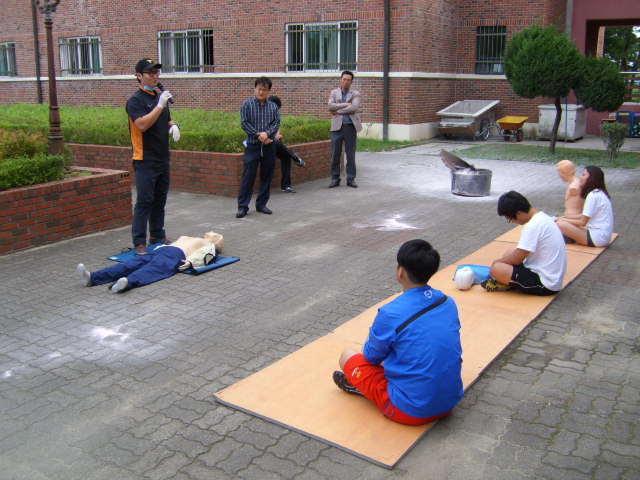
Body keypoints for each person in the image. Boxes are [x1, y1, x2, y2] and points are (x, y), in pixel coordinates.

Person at [333, 239, 463, 425]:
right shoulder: (447, 302)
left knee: (347, 356)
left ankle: (365, 389)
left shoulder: (390, 313)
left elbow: (371, 357)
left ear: (401, 272)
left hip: (411, 411)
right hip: (449, 402)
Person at [126, 58, 180, 256]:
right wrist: (160, 105)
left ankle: (157, 234)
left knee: (160, 199)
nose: (155, 76)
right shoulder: (136, 101)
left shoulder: (159, 97)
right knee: (145, 201)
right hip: (145, 158)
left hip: (162, 156)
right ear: (139, 76)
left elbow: (165, 119)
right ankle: (139, 241)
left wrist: (173, 125)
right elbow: (141, 124)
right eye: (150, 73)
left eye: (157, 72)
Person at [77, 232, 223, 293]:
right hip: (162, 250)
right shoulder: (190, 237)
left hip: (176, 255)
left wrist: (191, 262)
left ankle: (126, 283)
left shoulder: (209, 246)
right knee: (130, 264)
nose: (211, 232)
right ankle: (93, 277)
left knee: (151, 270)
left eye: (215, 235)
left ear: (216, 241)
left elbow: (205, 256)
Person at [481, 191, 567, 295]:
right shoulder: (543, 217)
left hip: (546, 284)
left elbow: (517, 259)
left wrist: (495, 262)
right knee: (509, 253)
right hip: (550, 275)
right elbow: (519, 254)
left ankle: (509, 283)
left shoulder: (532, 227)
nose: (512, 222)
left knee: (496, 268)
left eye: (509, 219)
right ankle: (508, 280)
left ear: (518, 213)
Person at [236, 77, 280, 218]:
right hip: (253, 146)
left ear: (268, 91)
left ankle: (261, 204)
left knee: (267, 176)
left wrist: (267, 134)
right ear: (255, 89)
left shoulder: (273, 107)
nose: (261, 92)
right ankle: (243, 207)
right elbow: (244, 123)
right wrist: (258, 135)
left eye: (264, 89)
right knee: (248, 176)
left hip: (269, 145)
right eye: (259, 89)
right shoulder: (247, 105)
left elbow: (276, 123)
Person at [556, 166, 614, 247]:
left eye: (584, 175)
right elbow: (584, 216)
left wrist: (563, 220)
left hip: (598, 239)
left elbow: (582, 222)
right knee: (562, 221)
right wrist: (564, 217)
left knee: (560, 224)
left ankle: (570, 237)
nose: (581, 178)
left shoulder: (593, 195)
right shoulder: (599, 193)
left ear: (591, 178)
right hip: (603, 237)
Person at [328, 71, 362, 188]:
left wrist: (338, 111)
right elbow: (330, 106)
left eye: (348, 80)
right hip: (337, 128)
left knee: (350, 154)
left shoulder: (355, 93)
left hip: (350, 127)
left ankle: (351, 179)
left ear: (351, 82)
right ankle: (335, 178)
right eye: (344, 79)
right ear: (340, 79)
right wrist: (346, 104)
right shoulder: (334, 92)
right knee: (335, 154)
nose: (346, 82)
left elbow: (354, 107)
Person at [268, 95, 305, 193]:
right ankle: (295, 156)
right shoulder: (262, 115)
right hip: (262, 144)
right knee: (275, 142)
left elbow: (277, 131)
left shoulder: (275, 117)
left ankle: (286, 186)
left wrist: (277, 136)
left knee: (285, 157)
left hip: (273, 144)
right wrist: (273, 137)